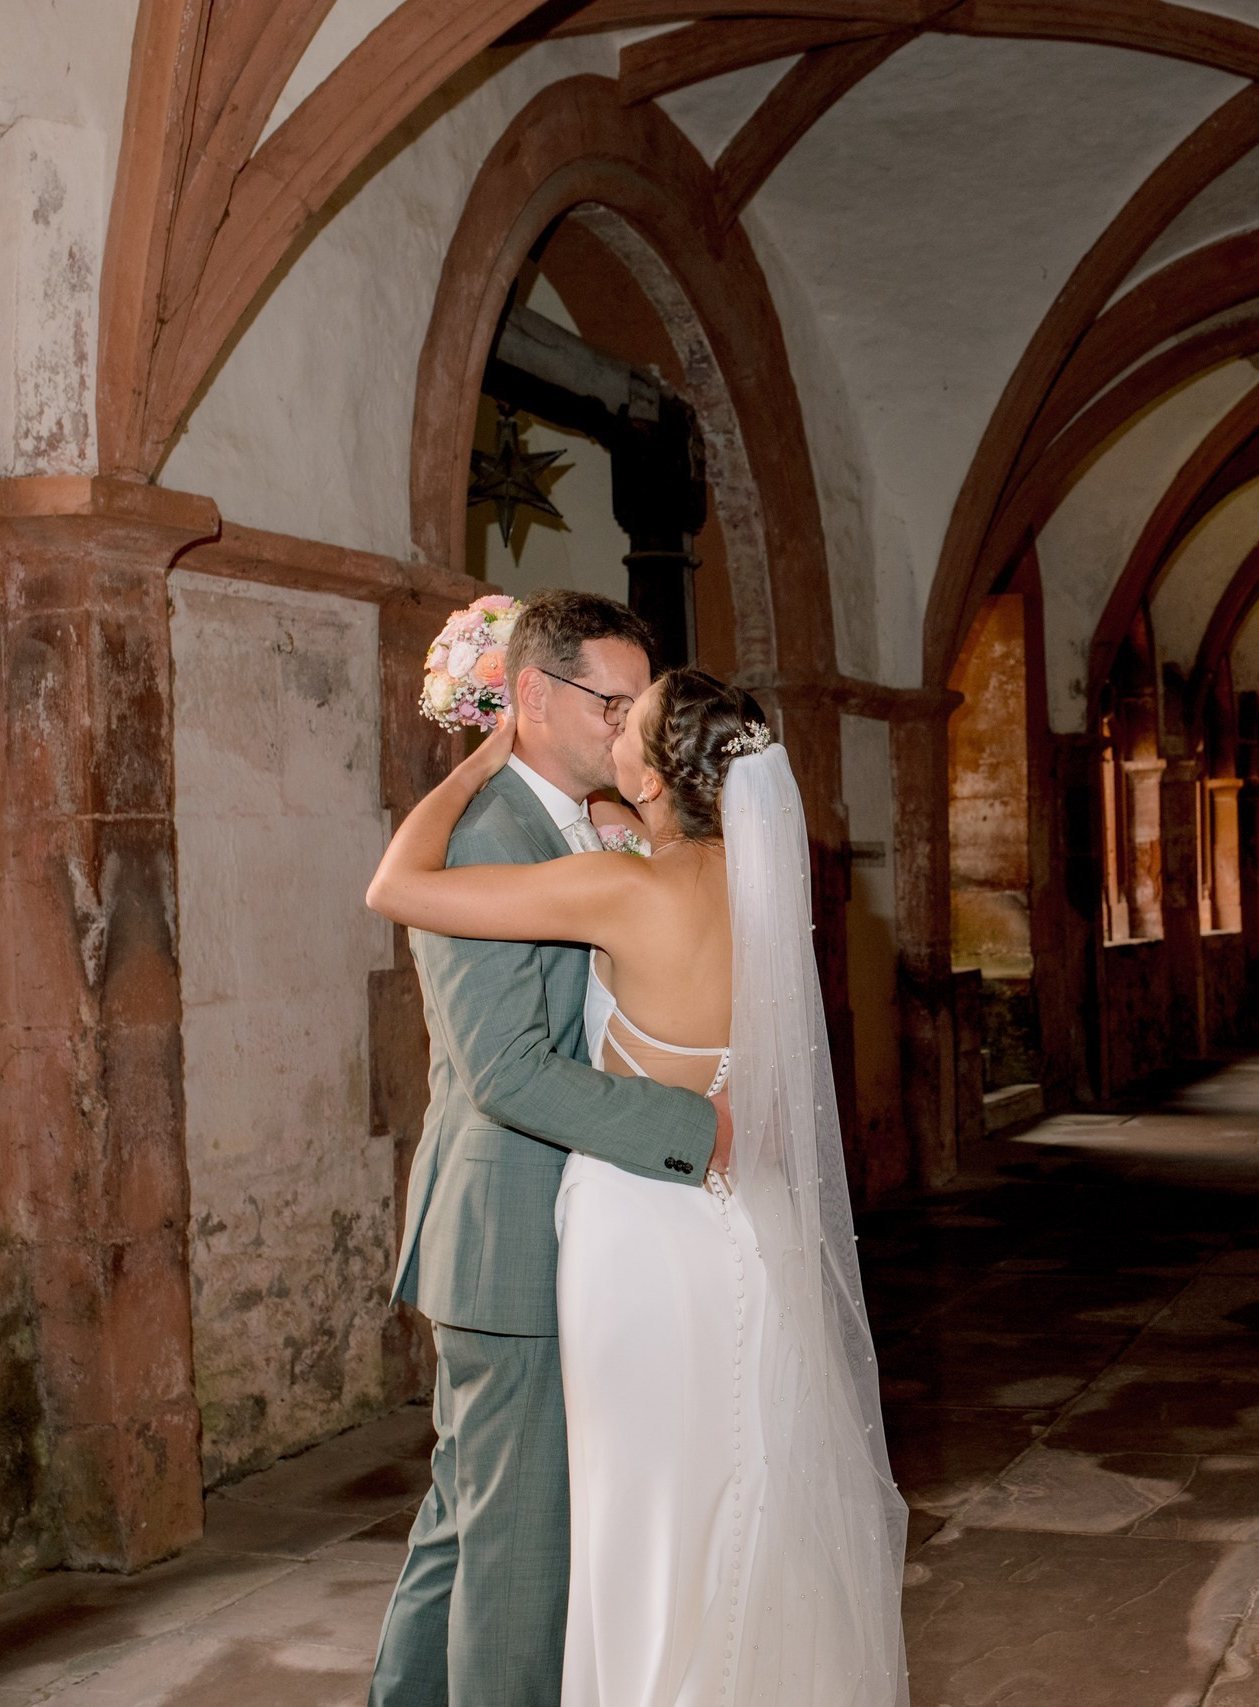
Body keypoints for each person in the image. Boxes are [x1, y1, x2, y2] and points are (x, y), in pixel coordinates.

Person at [368, 661, 909, 1707]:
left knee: (638, 1505)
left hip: (636, 1234)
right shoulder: (759, 893)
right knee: (737, 1489)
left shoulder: (623, 889)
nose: (612, 734)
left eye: (632, 726)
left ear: (659, 779)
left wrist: (480, 759)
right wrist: (626, 814)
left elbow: (397, 885)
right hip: (742, 1228)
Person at [367, 593, 728, 1707]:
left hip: (546, 1229)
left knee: (468, 1519)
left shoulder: (585, 824)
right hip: (508, 1237)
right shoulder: (487, 837)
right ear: (530, 697)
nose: (628, 734)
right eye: (610, 706)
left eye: (635, 709)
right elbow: (506, 1072)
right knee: (521, 1555)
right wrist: (693, 1130)